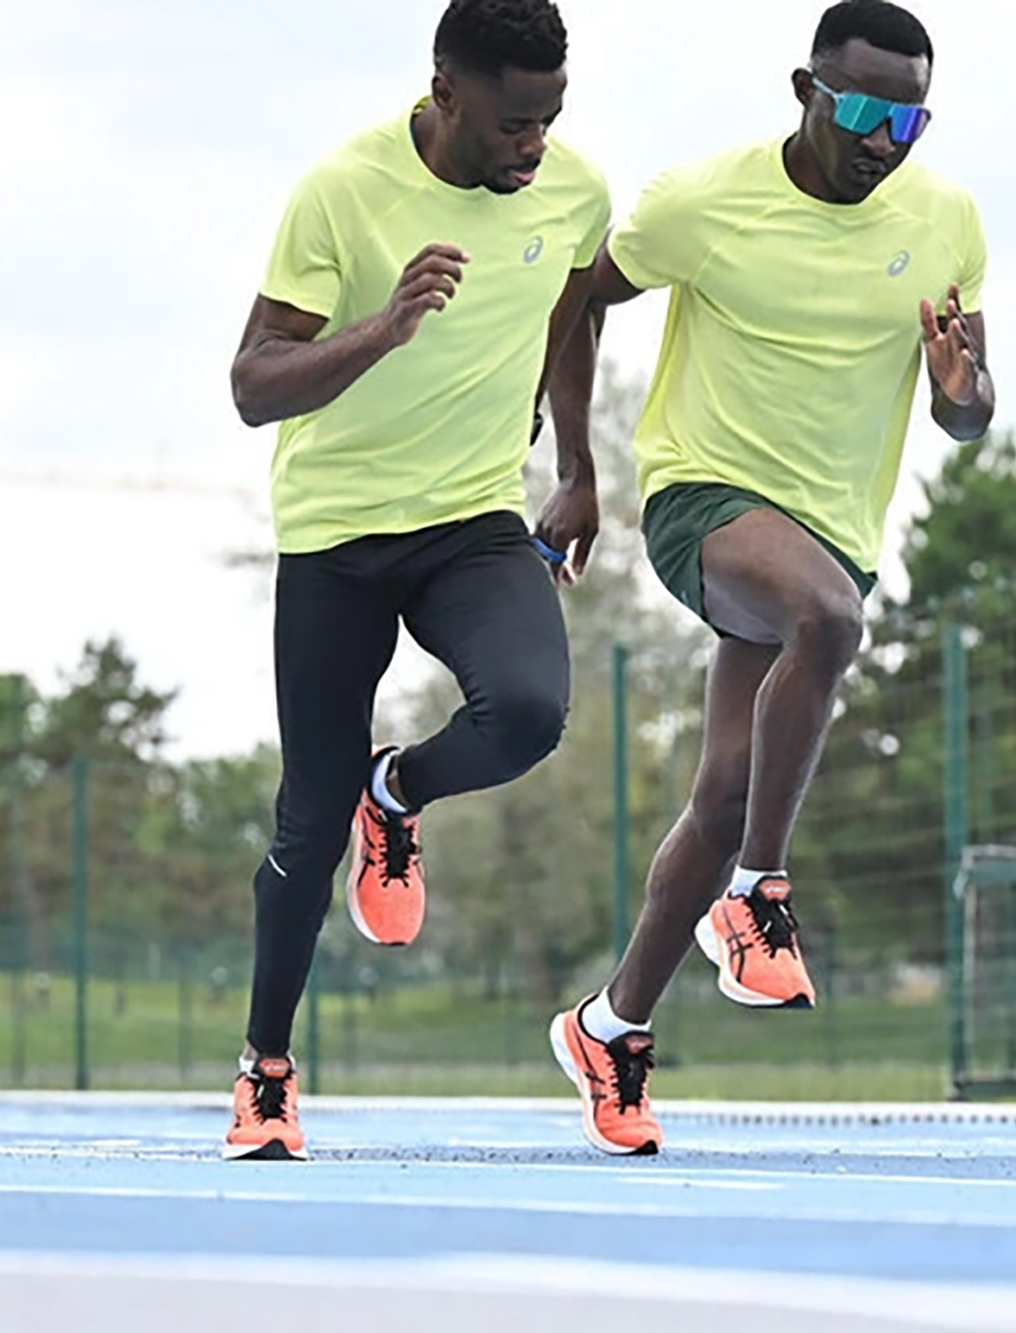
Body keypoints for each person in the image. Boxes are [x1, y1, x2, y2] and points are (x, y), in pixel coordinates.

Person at [545, 0, 993, 1156]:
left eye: (906, 118)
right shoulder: (701, 203)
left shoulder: (942, 220)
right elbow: (576, 304)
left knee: (726, 784)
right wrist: (580, 471)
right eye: (856, 109)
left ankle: (613, 1022)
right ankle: (757, 892)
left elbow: (970, 413)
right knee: (829, 620)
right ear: (804, 89)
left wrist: (957, 389)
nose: (879, 139)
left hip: (832, 527)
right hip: (704, 501)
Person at [222, 0, 610, 1161]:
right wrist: (382, 329)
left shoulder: (570, 190)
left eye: (548, 119)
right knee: (304, 814)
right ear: (445, 93)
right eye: (510, 123)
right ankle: (267, 1070)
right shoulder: (342, 191)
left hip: (472, 522)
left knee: (531, 712)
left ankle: (397, 796)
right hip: (336, 533)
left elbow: (575, 310)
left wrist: (579, 466)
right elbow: (253, 383)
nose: (531, 146)